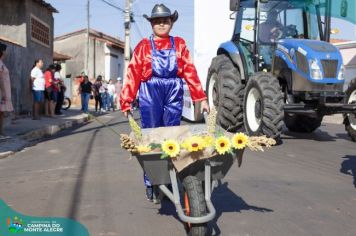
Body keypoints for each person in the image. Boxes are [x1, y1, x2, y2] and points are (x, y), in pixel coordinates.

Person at [120, 4, 209, 203]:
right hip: (150, 91)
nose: (162, 24)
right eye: (157, 21)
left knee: (172, 137)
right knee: (151, 135)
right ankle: (151, 182)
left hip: (173, 90)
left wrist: (200, 98)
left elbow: (189, 71)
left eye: (165, 21)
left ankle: (169, 180)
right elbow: (133, 73)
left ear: (171, 23)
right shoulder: (143, 46)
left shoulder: (179, 44)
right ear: (152, 24)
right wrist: (126, 101)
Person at [0, 43, 14, 137]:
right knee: (0, 112)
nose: (6, 52)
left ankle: (1, 131)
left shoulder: (1, 62)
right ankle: (1, 132)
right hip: (1, 91)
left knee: (1, 112)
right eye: (5, 50)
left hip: (4, 90)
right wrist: (4, 92)